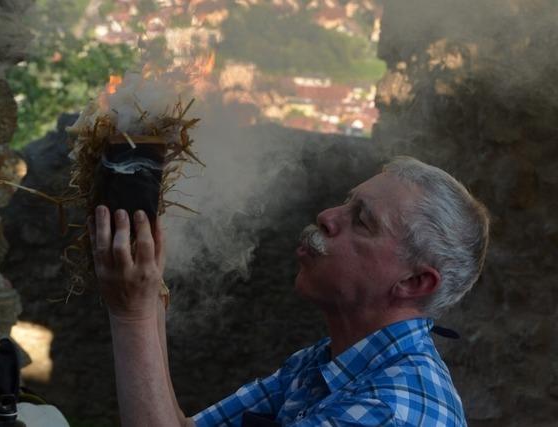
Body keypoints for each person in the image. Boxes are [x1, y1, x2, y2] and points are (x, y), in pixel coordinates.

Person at [88, 156, 490, 427]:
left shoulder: (389, 411)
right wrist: (146, 287)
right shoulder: (323, 363)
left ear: (414, 282)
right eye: (346, 203)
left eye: (361, 220)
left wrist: (133, 314)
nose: (328, 217)